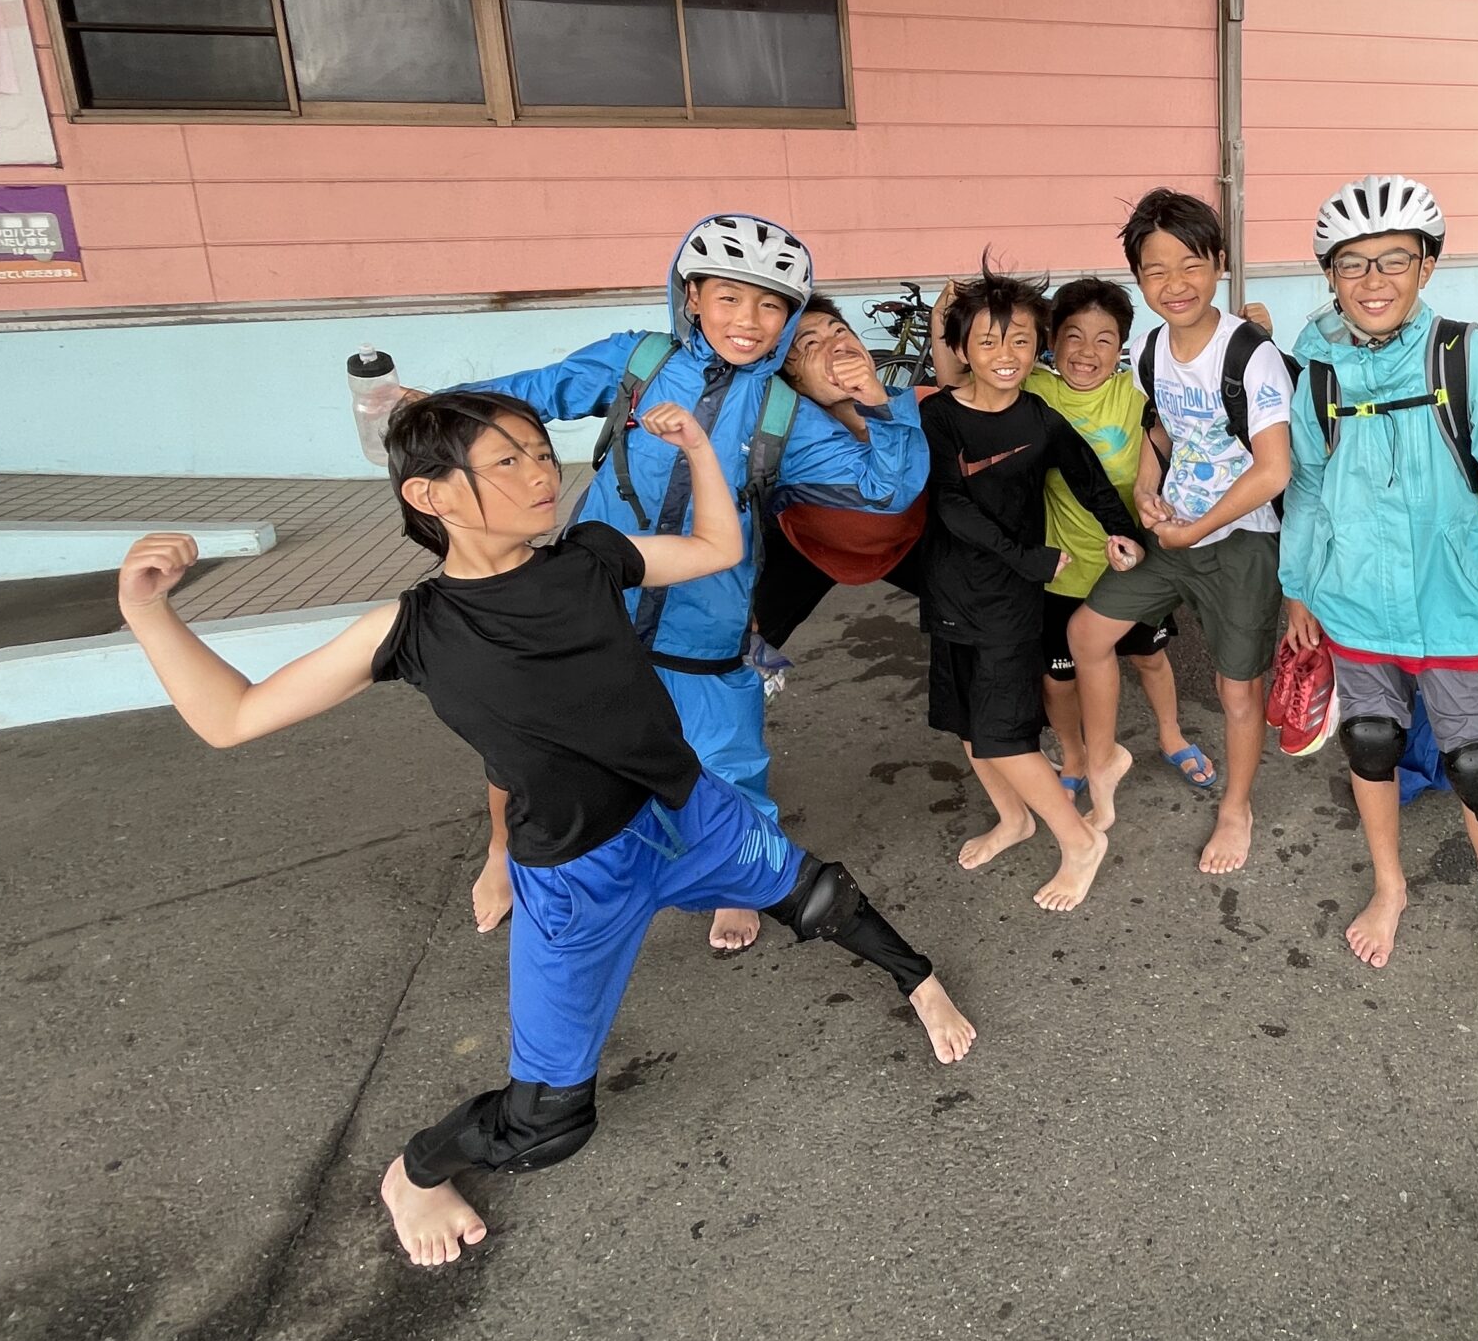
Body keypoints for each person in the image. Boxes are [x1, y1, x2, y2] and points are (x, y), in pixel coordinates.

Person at [115, 391, 972, 1268]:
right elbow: (232, 717)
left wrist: (697, 448)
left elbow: (719, 547)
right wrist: (148, 612)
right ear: (430, 495)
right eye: (508, 461)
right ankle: (415, 1174)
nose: (541, 474)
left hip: (689, 812)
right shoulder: (413, 630)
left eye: (539, 451)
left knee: (820, 896)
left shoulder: (591, 556)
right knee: (548, 1124)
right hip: (576, 876)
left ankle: (919, 981)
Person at [458, 214, 927, 953]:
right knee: (539, 741)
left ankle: (741, 878)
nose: (748, 320)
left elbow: (886, 487)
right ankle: (505, 853)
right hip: (594, 603)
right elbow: (531, 396)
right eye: (729, 297)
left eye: (770, 305)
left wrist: (875, 400)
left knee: (725, 760)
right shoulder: (639, 360)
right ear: (693, 297)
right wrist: (435, 407)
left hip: (706, 621)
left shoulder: (784, 412)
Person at [1276, 175, 1478, 1023]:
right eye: (1353, 264)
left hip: (1462, 604)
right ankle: (1390, 885)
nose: (1373, 280)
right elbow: (1306, 489)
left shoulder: (1466, 358)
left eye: (1394, 261)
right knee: (1370, 740)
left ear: (1427, 266)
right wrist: (1297, 589)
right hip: (1354, 602)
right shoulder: (1319, 376)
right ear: (1330, 276)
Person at [1070, 189, 1288, 875]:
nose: (1175, 284)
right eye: (1156, 270)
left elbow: (1274, 468)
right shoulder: (1147, 350)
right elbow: (1160, 429)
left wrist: (1198, 529)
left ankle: (1237, 807)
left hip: (1241, 541)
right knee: (1087, 634)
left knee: (1236, 689)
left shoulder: (1249, 354)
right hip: (1174, 532)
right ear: (1138, 278)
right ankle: (1104, 758)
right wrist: (1146, 489)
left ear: (1219, 263)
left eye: (1191, 264)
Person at [920, 262, 1147, 911]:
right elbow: (950, 503)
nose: (1006, 354)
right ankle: (1014, 819)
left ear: (1037, 347)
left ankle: (1080, 841)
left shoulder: (1039, 419)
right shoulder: (939, 416)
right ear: (962, 349)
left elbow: (1090, 480)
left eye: (1020, 340)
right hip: (951, 591)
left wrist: (1122, 532)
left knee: (1003, 734)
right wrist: (1025, 557)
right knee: (966, 723)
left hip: (1008, 602)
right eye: (989, 341)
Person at [932, 275, 1201, 802]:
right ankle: (1076, 756)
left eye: (1104, 340)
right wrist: (946, 318)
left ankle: (1171, 735)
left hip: (1128, 559)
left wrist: (1254, 336)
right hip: (1058, 566)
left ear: (1121, 347)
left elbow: (1200, 394)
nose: (1086, 352)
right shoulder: (1032, 389)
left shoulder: (1139, 392)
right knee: (1059, 677)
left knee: (1149, 657)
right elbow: (960, 383)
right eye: (1073, 336)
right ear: (1051, 342)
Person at [750, 295, 930, 651]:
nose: (836, 345)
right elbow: (884, 492)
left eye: (840, 331)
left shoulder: (917, 402)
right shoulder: (793, 439)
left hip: (907, 539)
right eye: (810, 344)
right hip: (809, 543)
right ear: (793, 380)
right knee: (740, 641)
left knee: (973, 608)